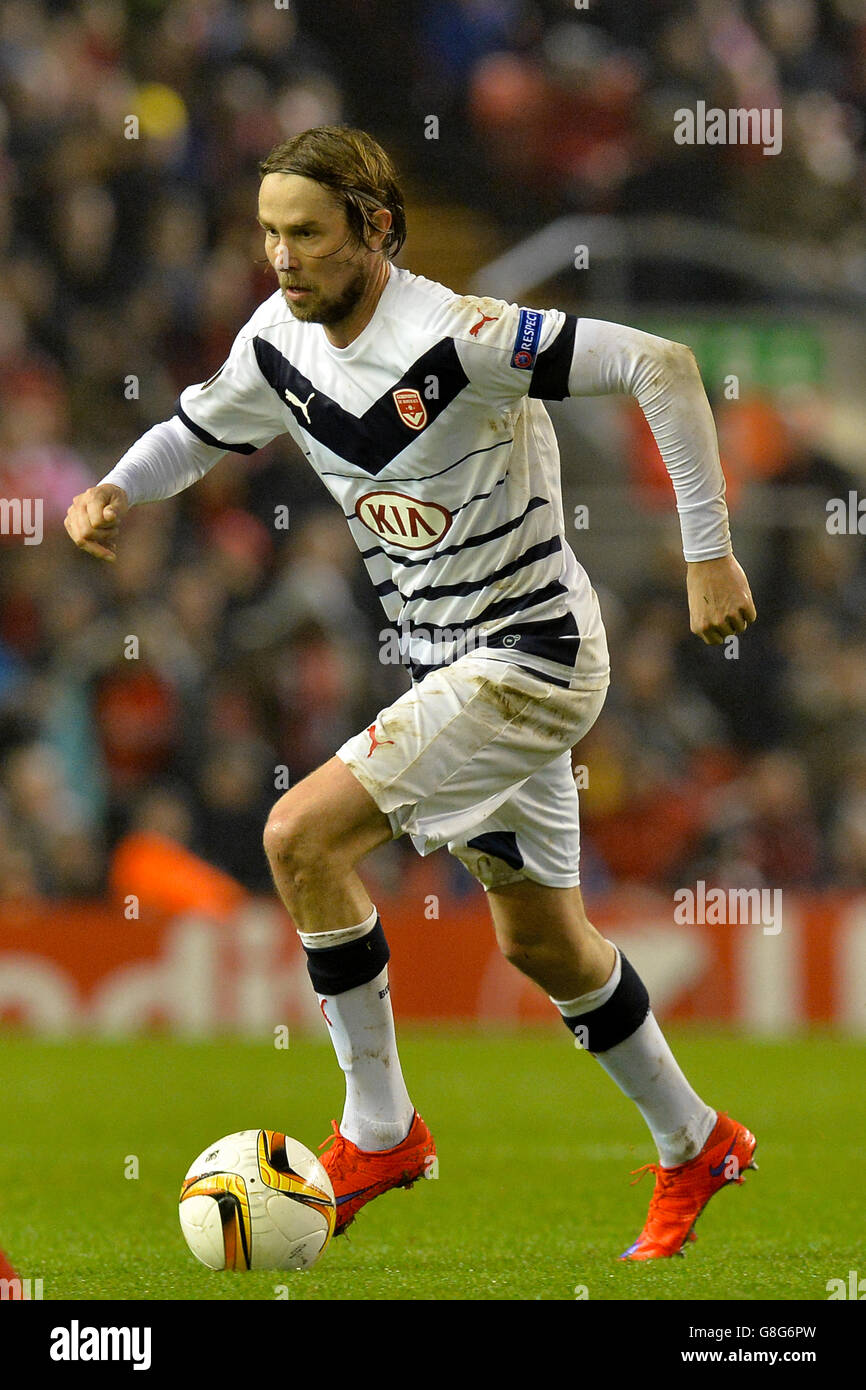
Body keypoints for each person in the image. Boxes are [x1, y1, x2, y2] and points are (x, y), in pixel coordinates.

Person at [65, 125, 758, 1261]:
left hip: (526, 655)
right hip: (448, 663)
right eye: (268, 234)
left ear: (373, 229)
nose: (281, 258)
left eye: (305, 233)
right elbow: (195, 428)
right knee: (544, 944)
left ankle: (378, 1129)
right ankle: (697, 1142)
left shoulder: (460, 337)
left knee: (298, 837)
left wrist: (706, 552)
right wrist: (114, 488)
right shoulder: (276, 340)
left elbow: (661, 366)